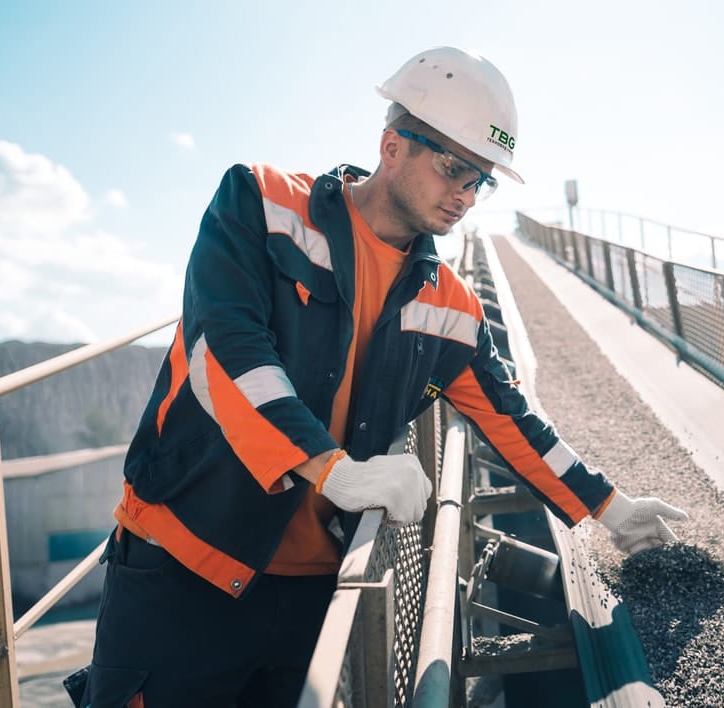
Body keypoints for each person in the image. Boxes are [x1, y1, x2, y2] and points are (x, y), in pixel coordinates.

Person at [66, 46, 688, 707]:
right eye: (455, 168)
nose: (467, 196)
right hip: (184, 570)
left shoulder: (451, 306)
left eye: (483, 181)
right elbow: (225, 354)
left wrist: (610, 508)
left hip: (316, 594)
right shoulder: (261, 204)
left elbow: (514, 422)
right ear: (392, 146)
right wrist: (336, 469)